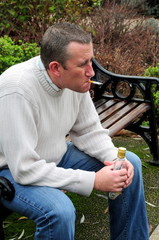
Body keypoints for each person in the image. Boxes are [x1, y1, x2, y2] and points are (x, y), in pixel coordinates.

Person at [0, 22, 149, 240]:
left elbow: (89, 132)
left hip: (54, 156)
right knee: (59, 211)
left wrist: (114, 160)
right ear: (55, 68)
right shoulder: (17, 90)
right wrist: (93, 181)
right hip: (11, 170)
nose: (91, 71)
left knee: (129, 165)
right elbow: (24, 169)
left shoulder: (76, 81)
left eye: (91, 61)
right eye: (83, 64)